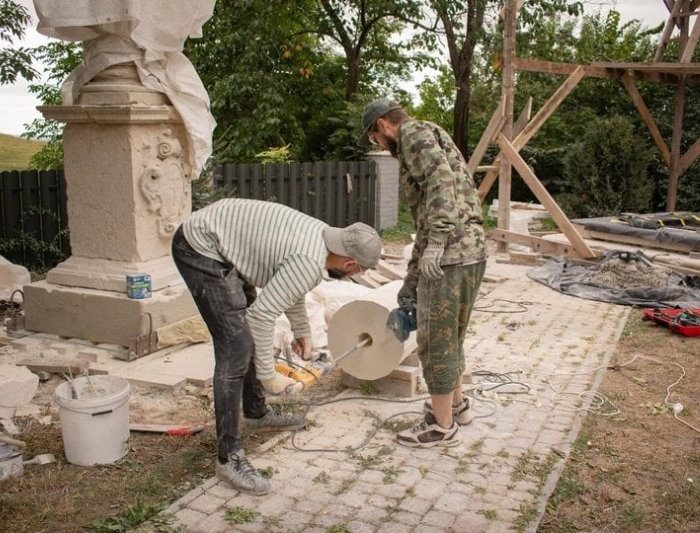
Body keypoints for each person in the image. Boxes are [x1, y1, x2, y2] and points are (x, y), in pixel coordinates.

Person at [171, 198, 382, 493]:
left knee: (244, 336)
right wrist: (269, 377)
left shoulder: (320, 236)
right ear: (350, 263)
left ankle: (256, 414)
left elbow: (289, 284)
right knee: (236, 346)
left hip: (220, 239)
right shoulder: (310, 261)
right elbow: (261, 316)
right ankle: (228, 458)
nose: (354, 276)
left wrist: (302, 330)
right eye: (358, 272)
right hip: (200, 247)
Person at [359, 97, 487, 448]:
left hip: (450, 256)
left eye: (375, 138)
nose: (379, 147)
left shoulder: (411, 134)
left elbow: (440, 182)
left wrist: (439, 240)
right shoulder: (431, 132)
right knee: (452, 337)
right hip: (471, 251)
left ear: (383, 125)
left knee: (434, 343)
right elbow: (425, 219)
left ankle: (442, 425)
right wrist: (410, 280)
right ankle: (458, 406)